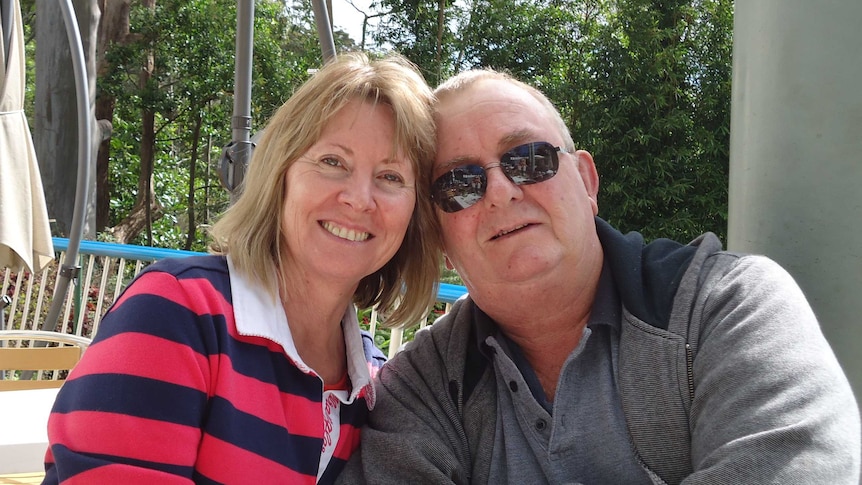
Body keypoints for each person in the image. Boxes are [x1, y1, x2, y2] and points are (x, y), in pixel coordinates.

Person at [338, 69, 861, 484]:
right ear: (439, 239)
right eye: (459, 183)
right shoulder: (425, 388)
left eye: (529, 159)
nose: (500, 192)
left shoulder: (727, 306)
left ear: (587, 183)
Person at [42, 52, 441, 484]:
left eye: (391, 177)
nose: (360, 198)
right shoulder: (177, 312)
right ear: (280, 174)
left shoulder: (373, 382)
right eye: (332, 162)